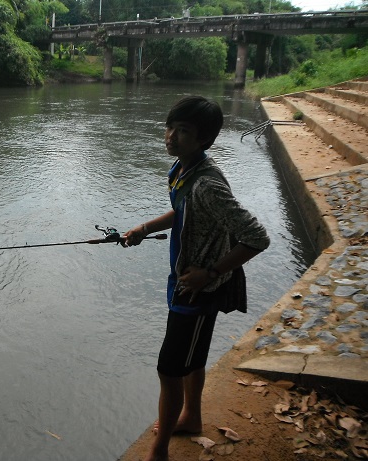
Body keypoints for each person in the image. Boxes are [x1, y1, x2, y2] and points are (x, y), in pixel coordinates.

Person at [122, 95, 270, 461]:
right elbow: (180, 211)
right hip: (185, 282)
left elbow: (257, 237)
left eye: (183, 131)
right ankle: (192, 416)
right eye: (170, 127)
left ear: (204, 139)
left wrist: (211, 273)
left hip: (198, 291)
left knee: (168, 370)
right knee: (193, 359)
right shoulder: (182, 169)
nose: (171, 136)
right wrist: (144, 227)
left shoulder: (207, 184)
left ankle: (159, 450)